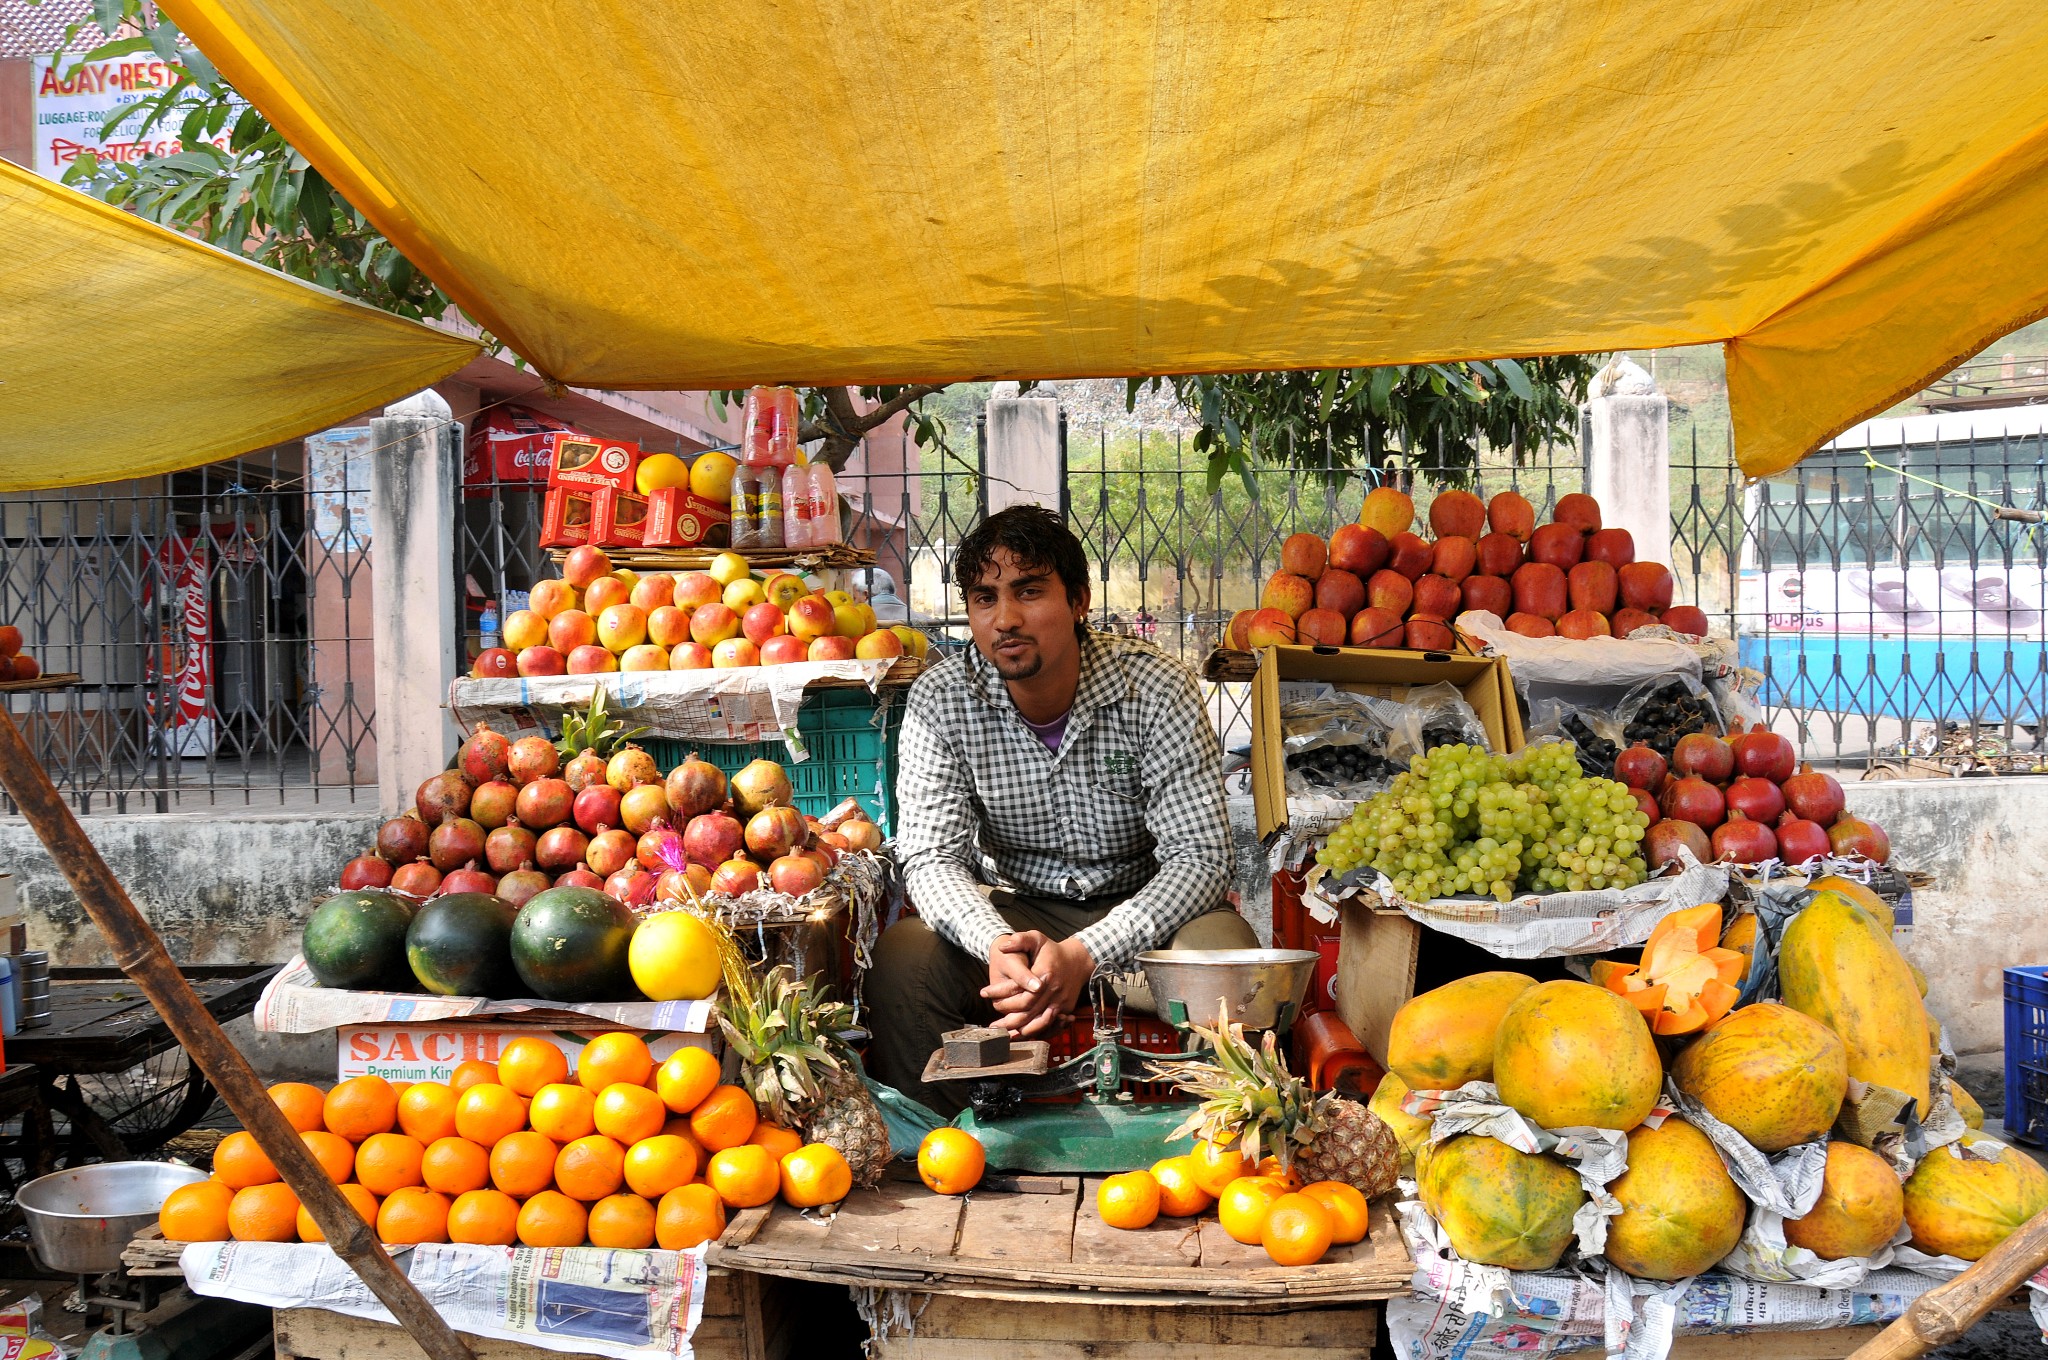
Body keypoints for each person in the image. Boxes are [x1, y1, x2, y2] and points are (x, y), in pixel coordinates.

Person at [867, 505, 1253, 1114]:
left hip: (1147, 915)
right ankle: (954, 1144)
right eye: (985, 598)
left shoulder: (1155, 689)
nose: (1006, 619)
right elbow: (931, 856)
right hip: (1017, 910)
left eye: (1029, 591)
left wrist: (1088, 953)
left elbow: (1201, 859)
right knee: (905, 960)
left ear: (1078, 601)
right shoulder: (941, 700)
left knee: (1227, 954)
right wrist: (996, 943)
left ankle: (1213, 1139)